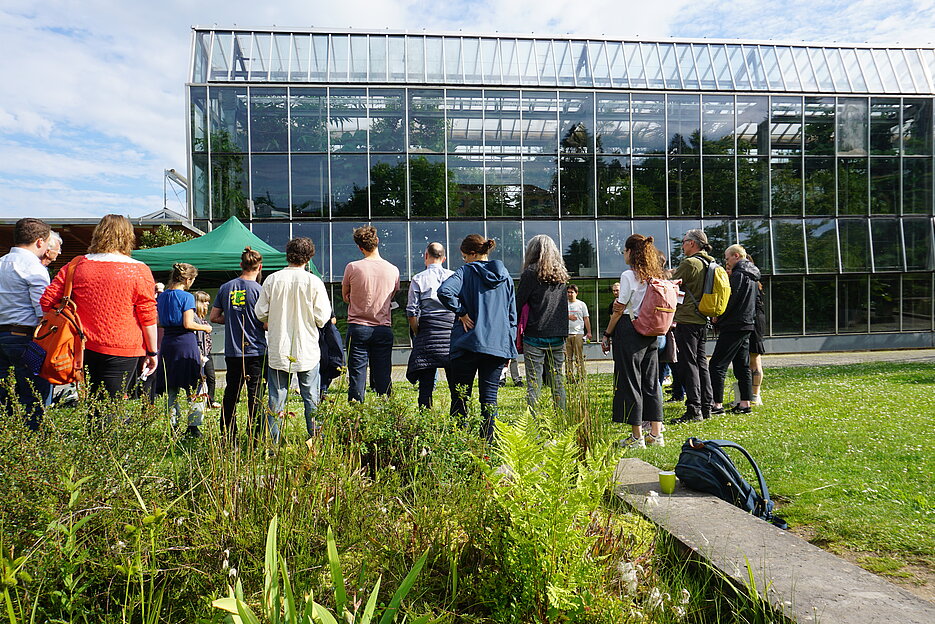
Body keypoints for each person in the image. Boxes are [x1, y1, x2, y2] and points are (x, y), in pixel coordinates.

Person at [41, 215, 158, 427]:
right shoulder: (138, 270)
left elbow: (48, 301)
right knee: (110, 407)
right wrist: (152, 352)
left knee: (94, 404)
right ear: (127, 237)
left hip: (83, 345)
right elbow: (147, 315)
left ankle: (94, 451)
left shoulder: (77, 265)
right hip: (123, 347)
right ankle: (105, 455)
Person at [438, 235, 517, 441]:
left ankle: (458, 446)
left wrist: (462, 312)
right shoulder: (505, 277)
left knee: (460, 399)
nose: (463, 260)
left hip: (466, 344)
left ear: (473, 254)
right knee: (490, 401)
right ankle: (487, 449)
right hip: (496, 347)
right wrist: (508, 348)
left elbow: (445, 292)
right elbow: (511, 316)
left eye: (465, 256)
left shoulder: (465, 272)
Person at [255, 237, 331, 442]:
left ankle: (273, 444)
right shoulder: (313, 281)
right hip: (307, 347)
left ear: (288, 254)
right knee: (312, 398)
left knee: (276, 399)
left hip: (279, 346)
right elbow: (323, 317)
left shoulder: (272, 279)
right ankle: (315, 441)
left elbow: (260, 313)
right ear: (309, 257)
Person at [600, 235, 665, 448]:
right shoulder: (655, 275)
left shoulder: (628, 275)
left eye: (624, 251)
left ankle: (637, 437)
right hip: (651, 330)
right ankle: (656, 434)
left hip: (630, 329)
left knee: (630, 381)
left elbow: (619, 308)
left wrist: (607, 334)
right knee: (651, 381)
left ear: (630, 251)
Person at [0, 218, 54, 430]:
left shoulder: (2, 262)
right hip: (26, 338)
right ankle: (32, 451)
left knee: (4, 399)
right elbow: (43, 310)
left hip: (2, 335)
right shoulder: (34, 267)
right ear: (39, 242)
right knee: (34, 398)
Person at [211, 247, 267, 441]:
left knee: (231, 394)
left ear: (241, 265)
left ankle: (228, 435)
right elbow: (266, 323)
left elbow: (214, 317)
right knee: (256, 396)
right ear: (259, 267)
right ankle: (254, 437)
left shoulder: (226, 287)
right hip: (255, 349)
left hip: (233, 351)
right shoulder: (261, 290)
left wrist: (234, 319)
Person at [342, 225, 399, 403]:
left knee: (357, 377)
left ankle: (356, 419)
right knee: (383, 376)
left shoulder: (352, 267)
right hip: (382, 328)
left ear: (360, 247)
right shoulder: (393, 270)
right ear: (377, 241)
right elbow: (392, 295)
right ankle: (387, 414)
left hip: (358, 327)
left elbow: (345, 297)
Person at [157, 263, 212, 437]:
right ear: (187, 279)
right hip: (185, 343)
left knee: (172, 388)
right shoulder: (186, 297)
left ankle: (173, 427)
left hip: (167, 344)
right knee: (196, 386)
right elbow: (188, 323)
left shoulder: (162, 296)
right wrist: (205, 328)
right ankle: (193, 427)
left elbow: (158, 322)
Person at [516, 235, 569, 413]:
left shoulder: (530, 273)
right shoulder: (561, 273)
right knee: (558, 380)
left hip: (535, 334)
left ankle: (534, 423)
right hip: (558, 334)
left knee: (534, 382)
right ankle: (562, 420)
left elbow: (518, 302)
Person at [669, 229, 717, 425]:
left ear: (692, 243)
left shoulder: (690, 263)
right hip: (701, 317)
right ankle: (707, 406)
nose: (682, 246)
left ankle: (694, 409)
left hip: (688, 318)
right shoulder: (710, 262)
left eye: (684, 242)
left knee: (688, 363)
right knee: (701, 363)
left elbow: (671, 283)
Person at [709, 245, 761, 415]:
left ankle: (717, 405)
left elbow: (730, 301)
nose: (726, 262)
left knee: (717, 365)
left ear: (736, 256)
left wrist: (717, 316)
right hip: (747, 324)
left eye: (727, 258)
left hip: (734, 324)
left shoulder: (738, 275)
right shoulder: (753, 276)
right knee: (742, 365)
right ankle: (745, 404)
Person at [405, 242, 455, 410]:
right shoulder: (455, 276)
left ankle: (426, 418)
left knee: (425, 386)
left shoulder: (418, 279)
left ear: (426, 256)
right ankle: (459, 419)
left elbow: (411, 311)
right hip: (450, 334)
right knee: (456, 386)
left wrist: (418, 331)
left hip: (428, 332)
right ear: (444, 258)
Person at [194, 291, 219, 409]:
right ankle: (197, 400)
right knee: (200, 378)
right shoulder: (193, 318)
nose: (207, 304)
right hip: (199, 353)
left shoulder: (202, 318)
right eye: (205, 302)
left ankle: (211, 400)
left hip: (207, 352)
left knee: (211, 377)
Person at [565, 284, 591, 382]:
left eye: (572, 292)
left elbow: (586, 318)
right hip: (566, 333)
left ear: (576, 293)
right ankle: (569, 377)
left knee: (578, 357)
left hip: (578, 333)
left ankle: (581, 377)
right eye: (568, 292)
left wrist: (589, 332)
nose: (570, 294)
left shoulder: (581, 304)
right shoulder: (563, 304)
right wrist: (568, 316)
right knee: (568, 358)